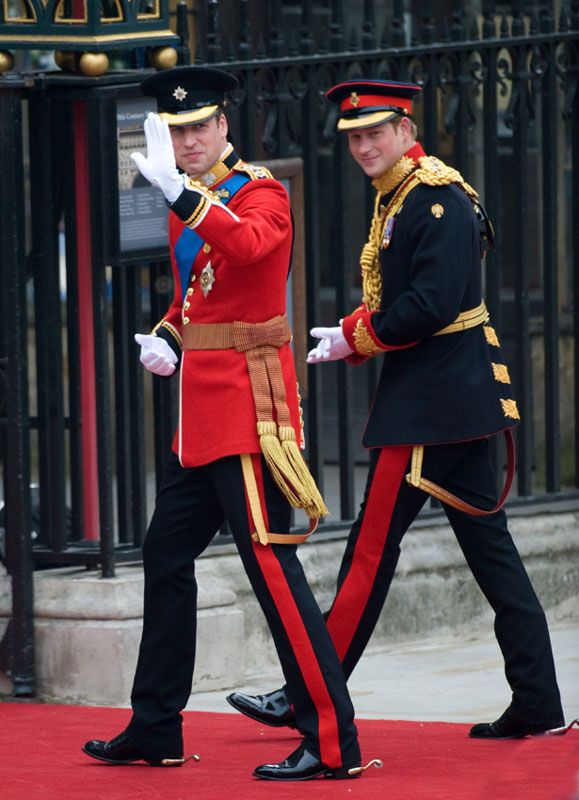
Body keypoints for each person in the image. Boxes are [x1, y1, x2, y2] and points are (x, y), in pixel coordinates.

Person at [226, 79, 566, 741]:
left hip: (430, 407)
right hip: (453, 399)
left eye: (373, 132)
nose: (362, 146)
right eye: (352, 137)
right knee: (491, 555)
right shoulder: (404, 197)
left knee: (367, 555)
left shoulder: (431, 200)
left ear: (406, 130)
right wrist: (354, 332)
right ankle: (538, 702)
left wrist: (355, 334)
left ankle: (306, 696)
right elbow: (415, 301)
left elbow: (430, 306)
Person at [82, 66, 375, 781]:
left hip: (248, 414)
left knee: (273, 570)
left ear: (223, 128)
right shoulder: (197, 199)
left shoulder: (261, 192)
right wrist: (167, 339)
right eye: (176, 132)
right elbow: (197, 300)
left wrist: (180, 194)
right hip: (198, 421)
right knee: (163, 555)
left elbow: (248, 249)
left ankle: (333, 741)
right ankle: (155, 726)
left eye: (196, 128)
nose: (185, 141)